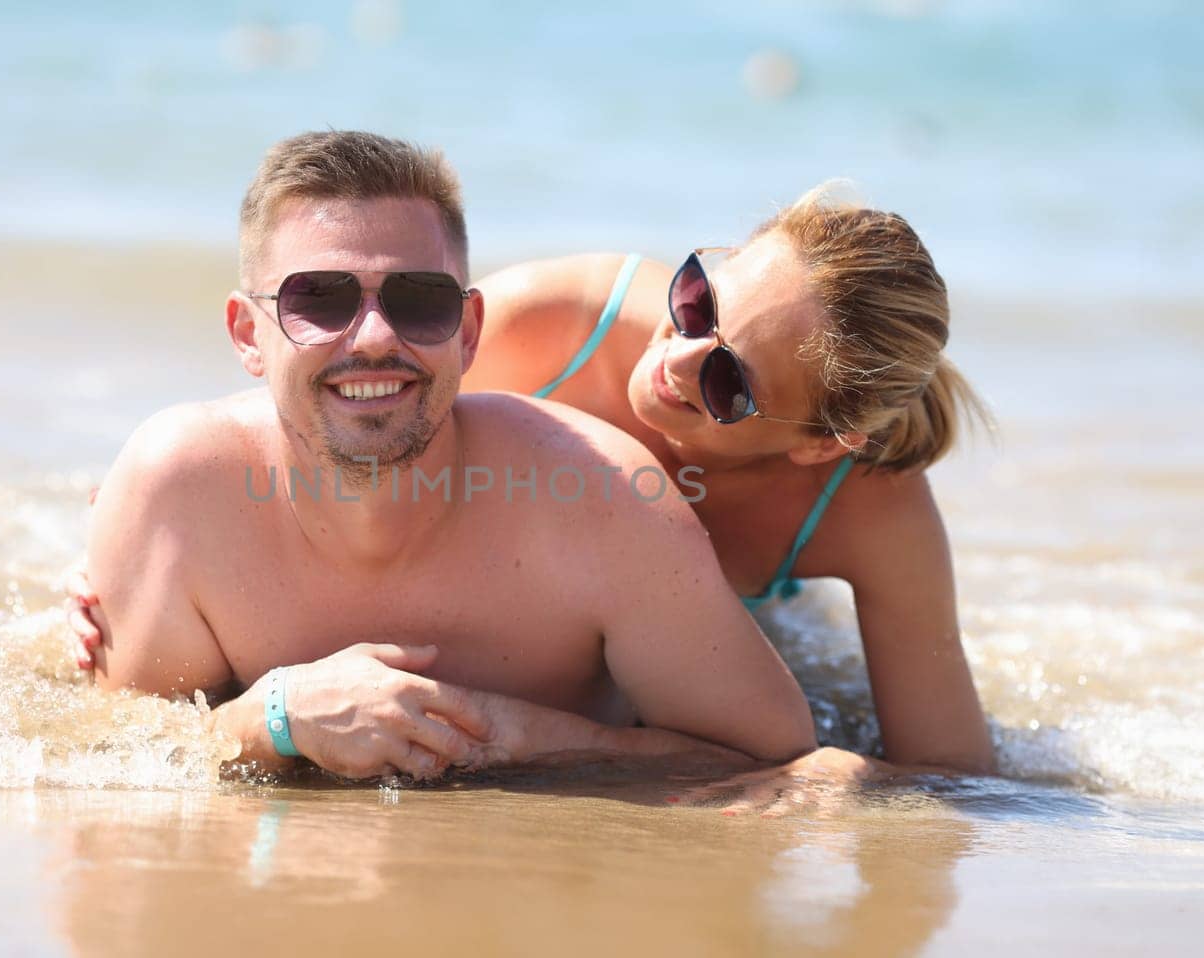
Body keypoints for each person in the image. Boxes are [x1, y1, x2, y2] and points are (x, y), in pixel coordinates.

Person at [79, 129, 816, 781]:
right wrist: (278, 717)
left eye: (419, 300)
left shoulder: (608, 497)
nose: (372, 338)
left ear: (467, 331)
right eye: (322, 300)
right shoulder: (176, 491)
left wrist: (505, 734)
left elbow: (776, 762)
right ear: (248, 334)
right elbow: (100, 755)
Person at [456, 194, 995, 772]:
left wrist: (845, 781)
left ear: (820, 444)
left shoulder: (866, 504)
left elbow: (952, 772)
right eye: (697, 304)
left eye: (728, 380)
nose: (677, 361)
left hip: (752, 645)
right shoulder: (551, 328)